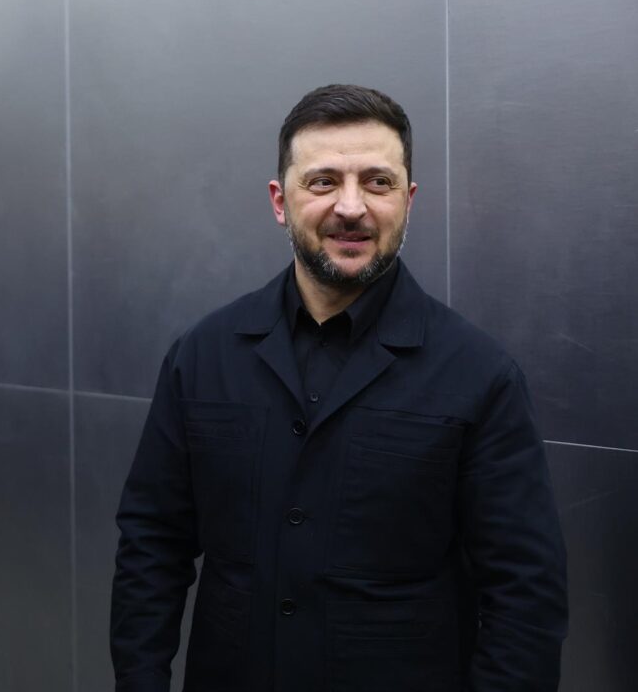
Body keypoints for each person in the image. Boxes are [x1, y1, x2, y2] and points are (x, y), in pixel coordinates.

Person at [110, 84, 567, 691]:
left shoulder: (480, 375)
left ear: (408, 200)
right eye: (323, 181)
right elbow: (152, 546)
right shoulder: (202, 356)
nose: (351, 208)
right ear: (280, 200)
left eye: (377, 182)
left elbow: (524, 597)